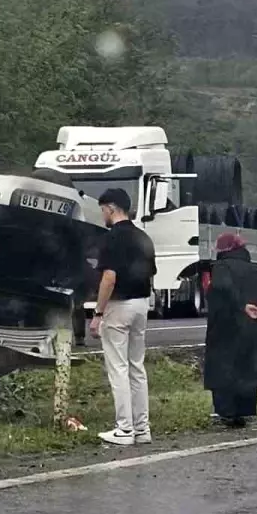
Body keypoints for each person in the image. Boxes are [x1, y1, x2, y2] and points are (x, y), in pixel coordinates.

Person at [89, 188, 157, 446]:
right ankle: (142, 428)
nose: (102, 215)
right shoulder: (143, 237)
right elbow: (150, 273)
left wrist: (98, 313)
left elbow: (109, 277)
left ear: (111, 208)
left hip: (120, 305)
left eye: (103, 209)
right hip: (142, 303)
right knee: (137, 367)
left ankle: (124, 429)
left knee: (118, 368)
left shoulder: (112, 239)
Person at [204, 233, 257, 429]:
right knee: (248, 368)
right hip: (253, 327)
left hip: (226, 326)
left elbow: (222, 287)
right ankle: (244, 411)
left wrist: (242, 306)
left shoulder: (220, 267)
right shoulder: (254, 268)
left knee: (224, 369)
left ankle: (226, 412)